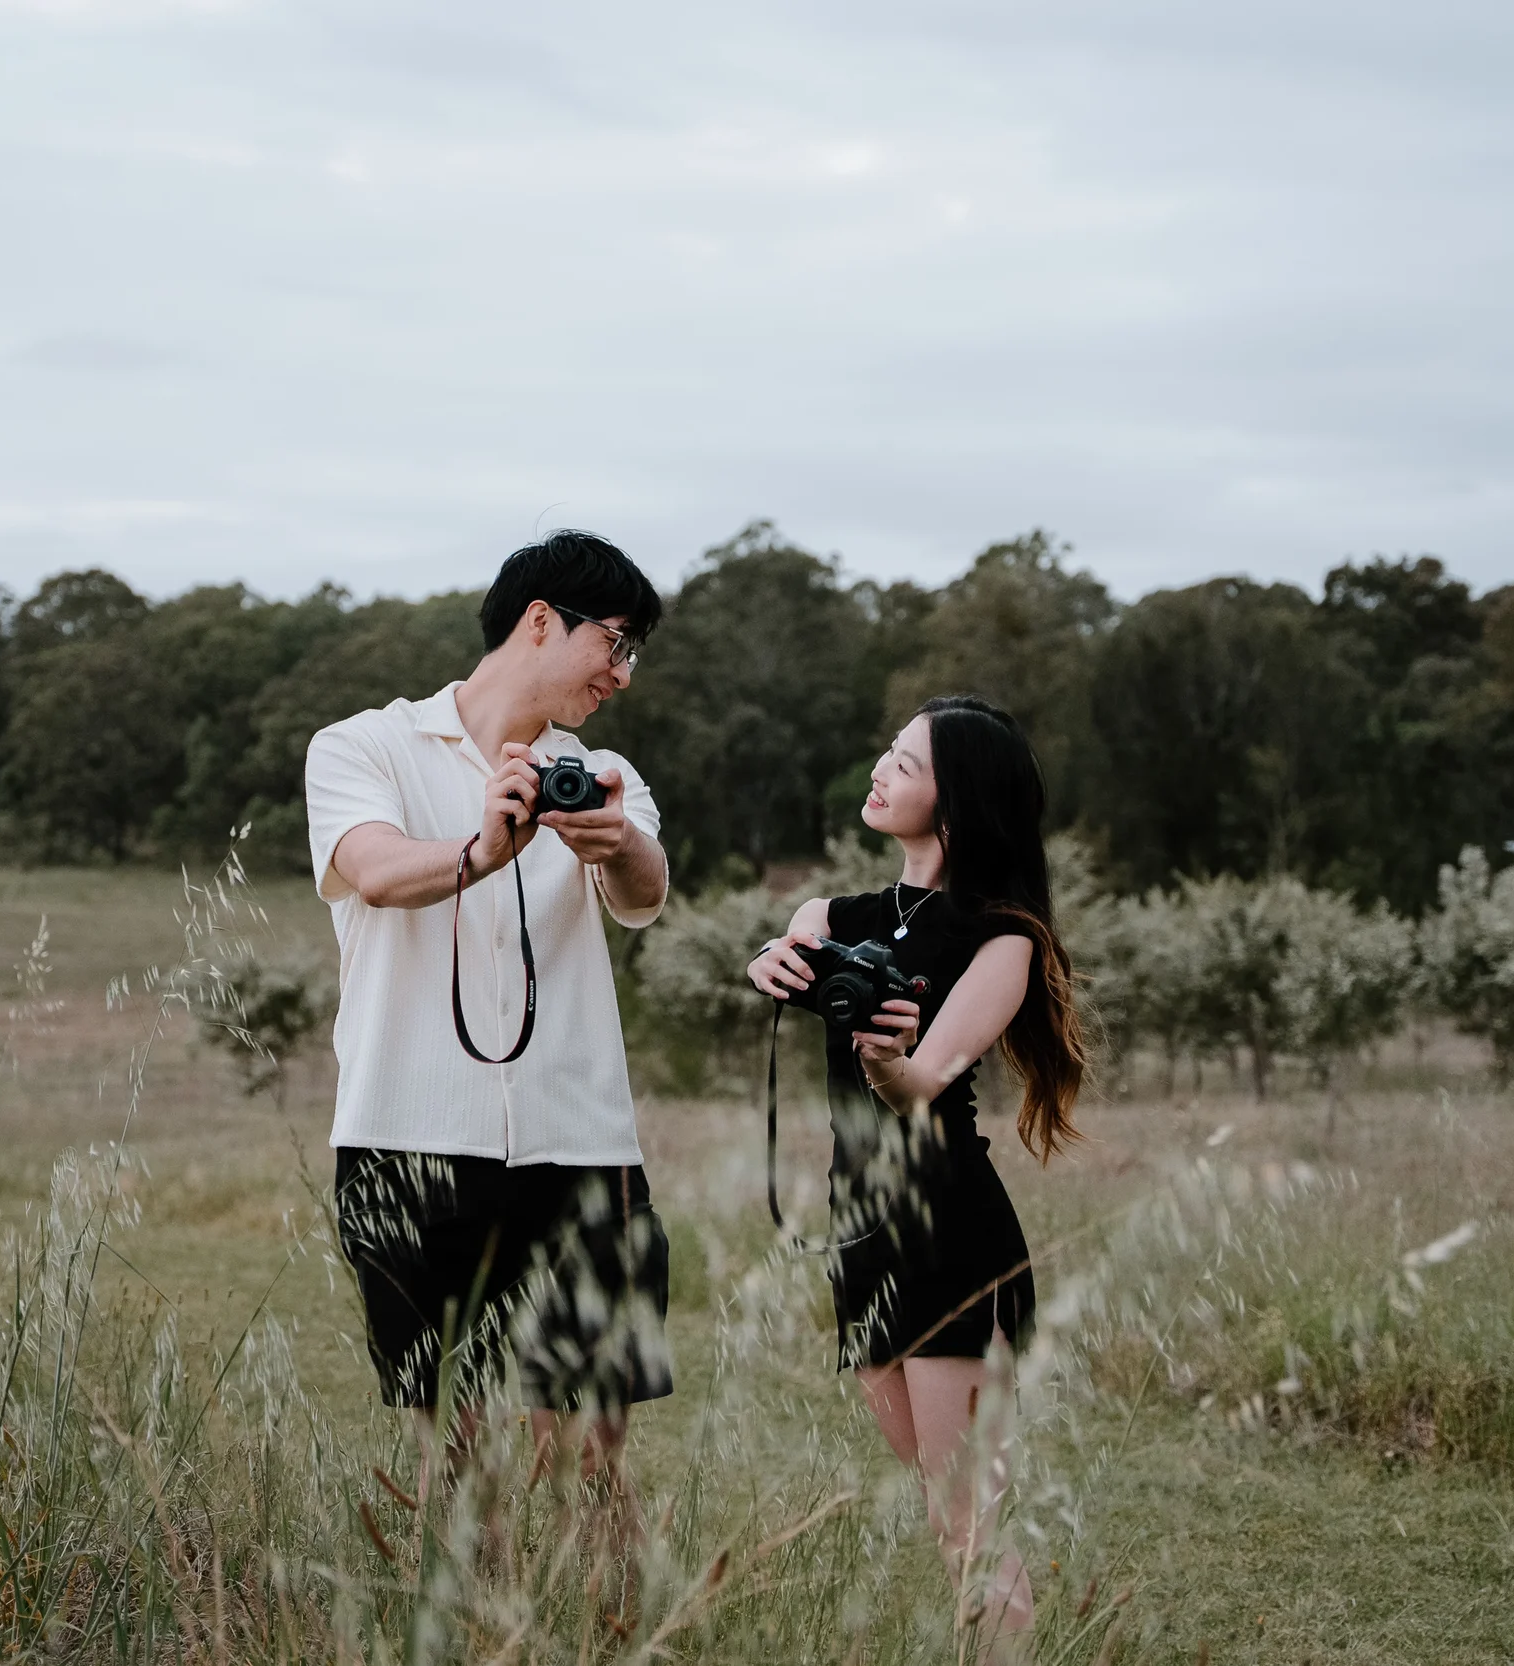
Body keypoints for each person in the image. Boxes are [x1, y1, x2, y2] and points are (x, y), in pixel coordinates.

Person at [306, 530, 673, 1501]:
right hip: (408, 1137)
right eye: (617, 643)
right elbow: (376, 872)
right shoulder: (362, 745)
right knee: (460, 1463)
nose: (622, 675)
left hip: (580, 1142)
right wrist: (482, 847)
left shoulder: (600, 776)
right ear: (542, 620)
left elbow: (645, 895)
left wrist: (613, 838)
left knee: (593, 1463)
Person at [745, 695, 1086, 1646]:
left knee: (968, 1511)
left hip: (949, 1230)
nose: (878, 770)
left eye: (905, 762)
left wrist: (891, 1063)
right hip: (858, 1228)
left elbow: (927, 1082)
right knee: (943, 1495)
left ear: (958, 802)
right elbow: (787, 956)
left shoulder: (1002, 934)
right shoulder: (833, 915)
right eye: (885, 751)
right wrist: (767, 965)